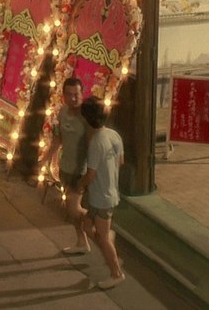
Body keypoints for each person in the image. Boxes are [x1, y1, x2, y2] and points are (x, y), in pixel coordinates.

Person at [78, 96, 125, 290]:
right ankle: (109, 248)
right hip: (108, 193)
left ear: (87, 118)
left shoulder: (96, 142)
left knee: (102, 237)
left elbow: (90, 174)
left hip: (102, 198)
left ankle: (116, 273)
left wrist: (79, 186)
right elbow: (120, 161)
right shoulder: (114, 135)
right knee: (87, 226)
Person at [43, 77, 90, 254]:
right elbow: (58, 139)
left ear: (82, 94)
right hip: (65, 168)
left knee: (74, 209)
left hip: (81, 171)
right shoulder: (62, 112)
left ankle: (101, 227)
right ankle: (82, 241)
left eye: (76, 94)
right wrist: (46, 158)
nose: (73, 98)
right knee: (71, 211)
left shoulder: (87, 117)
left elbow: (93, 144)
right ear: (63, 96)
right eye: (69, 94)